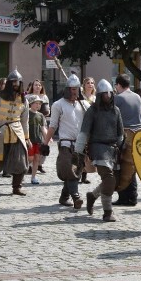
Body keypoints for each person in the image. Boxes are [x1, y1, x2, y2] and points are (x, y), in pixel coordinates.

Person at [77, 80, 124, 223]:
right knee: (109, 179)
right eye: (105, 93)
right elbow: (84, 132)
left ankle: (92, 195)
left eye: (110, 93)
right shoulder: (92, 111)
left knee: (113, 181)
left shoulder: (115, 110)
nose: (108, 96)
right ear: (100, 95)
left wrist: (120, 145)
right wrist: (78, 152)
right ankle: (108, 212)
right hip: (98, 148)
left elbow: (120, 133)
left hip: (113, 149)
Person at [0, 69, 30, 196]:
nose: (15, 84)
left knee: (20, 161)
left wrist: (27, 138)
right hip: (0, 134)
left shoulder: (24, 100)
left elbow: (25, 121)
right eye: (13, 81)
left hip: (17, 133)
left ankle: (16, 187)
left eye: (18, 82)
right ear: (8, 83)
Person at [43, 74, 87, 208]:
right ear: (67, 89)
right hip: (66, 144)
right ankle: (76, 197)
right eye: (72, 89)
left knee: (76, 171)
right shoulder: (58, 105)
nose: (75, 92)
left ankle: (64, 197)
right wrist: (45, 143)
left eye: (77, 89)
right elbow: (53, 125)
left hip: (80, 144)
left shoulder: (83, 104)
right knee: (69, 170)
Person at [113, 74, 141, 206]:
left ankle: (125, 196)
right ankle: (133, 195)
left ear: (118, 85)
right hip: (137, 134)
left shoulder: (118, 98)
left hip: (124, 134)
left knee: (123, 166)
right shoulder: (137, 96)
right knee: (133, 166)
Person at [27, 96, 47, 185]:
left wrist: (47, 138)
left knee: (36, 159)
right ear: (31, 103)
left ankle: (33, 177)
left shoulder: (41, 115)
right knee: (29, 158)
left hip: (38, 140)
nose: (38, 105)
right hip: (29, 140)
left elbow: (43, 128)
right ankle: (21, 174)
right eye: (36, 103)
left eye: (39, 104)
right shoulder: (26, 113)